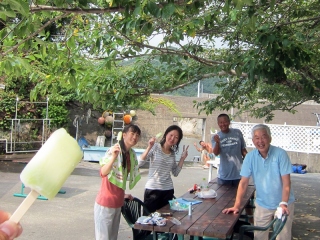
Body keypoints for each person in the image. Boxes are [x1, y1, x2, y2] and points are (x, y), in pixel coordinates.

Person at [222, 124, 295, 240]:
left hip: (283, 204)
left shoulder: (280, 154)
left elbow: (286, 182)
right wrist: (237, 206)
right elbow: (243, 183)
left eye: (263, 137)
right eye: (256, 138)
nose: (260, 141)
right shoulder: (250, 157)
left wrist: (284, 203)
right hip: (263, 204)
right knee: (259, 236)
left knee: (283, 237)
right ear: (253, 140)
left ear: (270, 138)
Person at [94, 124, 142, 240]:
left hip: (118, 203)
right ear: (124, 135)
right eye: (132, 134)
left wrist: (122, 194)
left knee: (113, 237)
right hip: (105, 203)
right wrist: (113, 158)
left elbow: (121, 179)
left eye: (137, 135)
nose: (135, 137)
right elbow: (103, 172)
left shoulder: (131, 154)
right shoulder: (115, 150)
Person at [139, 125, 189, 213]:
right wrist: (149, 147)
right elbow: (140, 162)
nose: (173, 138)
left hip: (168, 191)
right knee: (149, 221)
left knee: (165, 220)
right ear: (166, 134)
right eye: (171, 135)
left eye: (176, 137)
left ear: (178, 141)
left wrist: (182, 158)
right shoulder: (155, 147)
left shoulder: (172, 153)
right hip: (152, 190)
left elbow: (175, 172)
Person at [212, 113, 247, 185]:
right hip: (224, 176)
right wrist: (217, 143)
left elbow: (243, 150)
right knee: (224, 196)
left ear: (229, 122)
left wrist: (249, 162)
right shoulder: (216, 137)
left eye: (225, 122)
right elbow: (216, 153)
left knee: (240, 196)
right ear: (218, 124)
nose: (223, 124)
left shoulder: (237, 132)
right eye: (220, 122)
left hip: (239, 174)